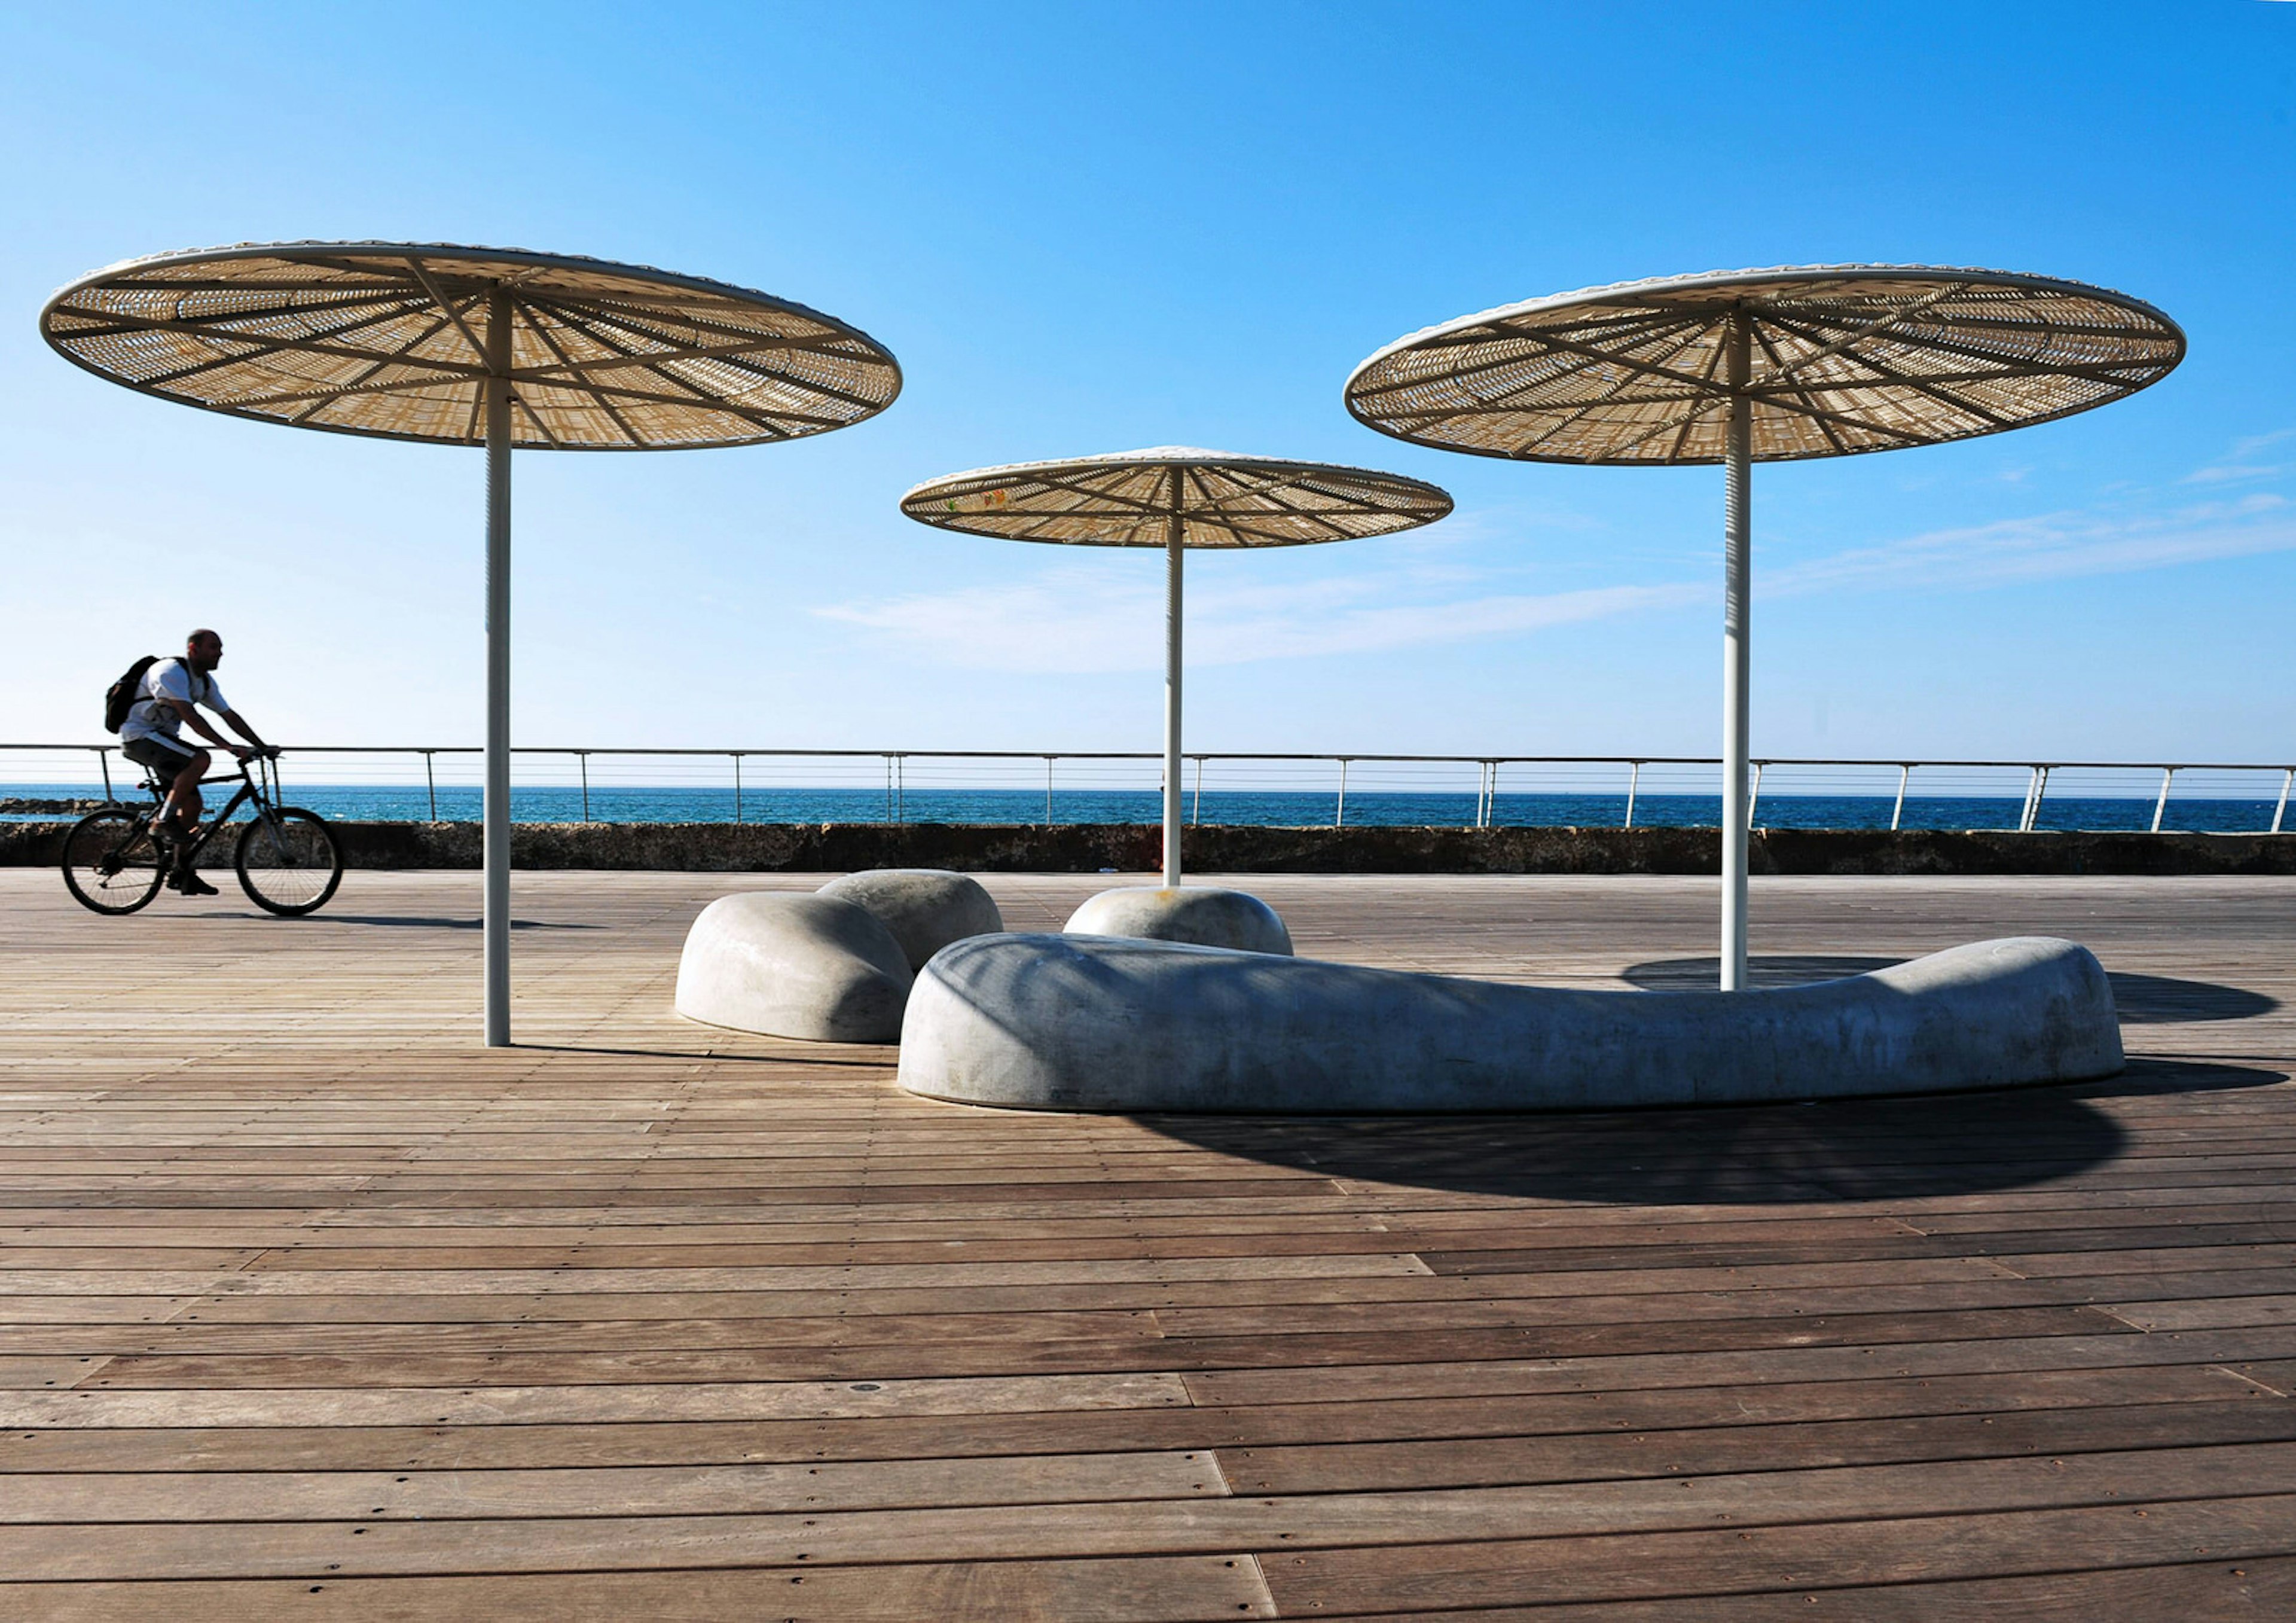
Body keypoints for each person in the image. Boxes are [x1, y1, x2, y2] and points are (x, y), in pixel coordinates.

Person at [118, 629, 273, 896]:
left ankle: (183, 872)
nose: (220, 653)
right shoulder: (170, 672)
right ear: (193, 649)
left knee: (192, 804)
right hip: (140, 737)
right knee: (201, 758)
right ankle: (162, 822)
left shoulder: (204, 683)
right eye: (214, 647)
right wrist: (227, 746)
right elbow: (190, 716)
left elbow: (229, 715)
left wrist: (261, 745)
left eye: (221, 648)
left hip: (163, 741)